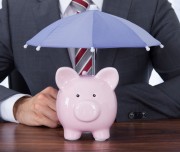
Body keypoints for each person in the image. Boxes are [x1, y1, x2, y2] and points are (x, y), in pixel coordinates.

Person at [0, 0, 180, 128]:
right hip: (43, 147)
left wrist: (114, 103)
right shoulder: (15, 8)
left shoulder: (150, 4)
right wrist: (18, 106)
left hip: (127, 144)